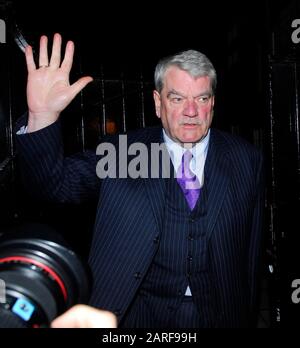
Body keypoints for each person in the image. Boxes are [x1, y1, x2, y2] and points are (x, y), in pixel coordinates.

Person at [16, 33, 264, 328]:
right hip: (137, 317)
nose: (191, 111)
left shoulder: (245, 159)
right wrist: (41, 116)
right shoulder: (126, 154)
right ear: (158, 103)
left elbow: (251, 252)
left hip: (219, 316)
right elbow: (52, 186)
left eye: (202, 98)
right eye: (177, 98)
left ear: (213, 103)